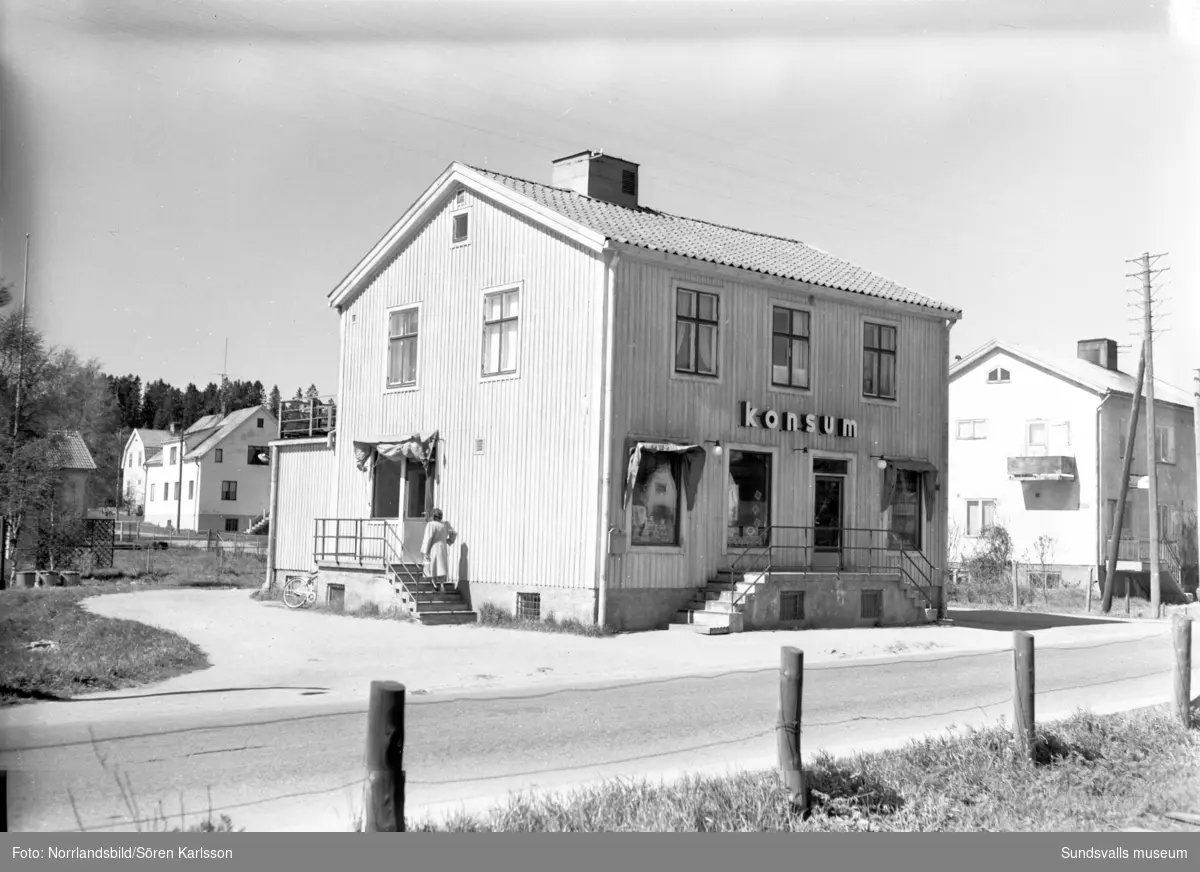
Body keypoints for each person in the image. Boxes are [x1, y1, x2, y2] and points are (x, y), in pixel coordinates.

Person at [419, 508, 457, 592]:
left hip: (433, 547)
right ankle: (442, 585)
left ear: (433, 516)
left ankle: (435, 585)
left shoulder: (431, 525)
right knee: (441, 566)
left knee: (433, 566)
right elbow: (453, 533)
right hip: (442, 547)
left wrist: (425, 551)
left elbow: (428, 538)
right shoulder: (445, 524)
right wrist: (448, 540)